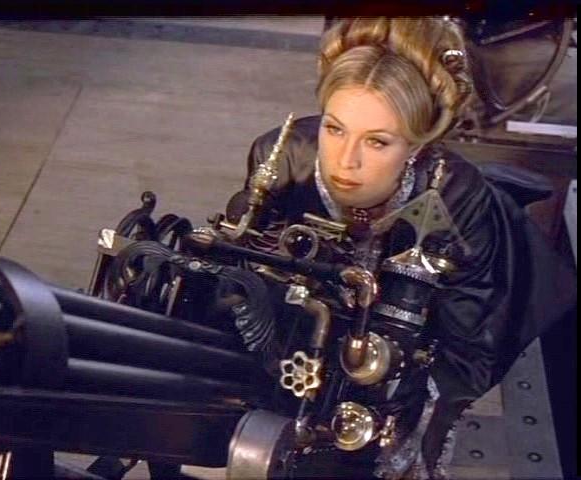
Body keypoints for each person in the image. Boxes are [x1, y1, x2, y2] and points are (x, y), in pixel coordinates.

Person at [228, 17, 577, 479]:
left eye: (377, 141)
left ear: (415, 146)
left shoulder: (455, 196)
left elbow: (468, 349)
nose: (346, 161)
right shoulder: (281, 156)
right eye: (334, 129)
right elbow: (240, 270)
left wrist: (397, 410)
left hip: (409, 351)